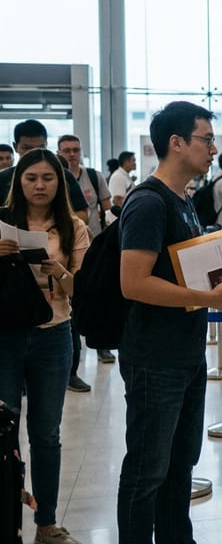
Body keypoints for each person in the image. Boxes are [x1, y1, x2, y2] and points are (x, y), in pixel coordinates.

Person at [116, 100, 222, 544]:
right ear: (176, 143)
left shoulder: (184, 200)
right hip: (155, 357)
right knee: (147, 469)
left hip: (186, 353)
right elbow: (133, 283)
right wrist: (208, 298)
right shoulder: (149, 202)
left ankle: (177, 543)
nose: (213, 149)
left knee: (179, 463)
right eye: (206, 139)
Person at [0, 148, 91, 544]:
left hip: (54, 333)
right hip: (5, 333)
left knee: (46, 433)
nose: (39, 185)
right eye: (31, 177)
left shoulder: (73, 228)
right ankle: (6, 523)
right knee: (5, 431)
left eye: (48, 178)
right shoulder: (3, 224)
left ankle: (47, 522)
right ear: (18, 181)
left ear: (60, 183)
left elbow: (84, 291)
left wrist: (61, 273)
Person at [57, 134, 118, 369]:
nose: (72, 154)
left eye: (75, 150)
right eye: (66, 150)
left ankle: (102, 344)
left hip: (95, 246)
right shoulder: (56, 177)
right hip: (64, 245)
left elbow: (106, 207)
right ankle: (73, 351)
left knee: (98, 293)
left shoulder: (93, 176)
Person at [0, 120, 90, 223]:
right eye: (27, 148)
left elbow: (82, 215)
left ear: (46, 145)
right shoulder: (3, 179)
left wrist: (55, 227)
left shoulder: (64, 175)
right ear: (16, 147)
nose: (34, 153)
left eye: (40, 147)